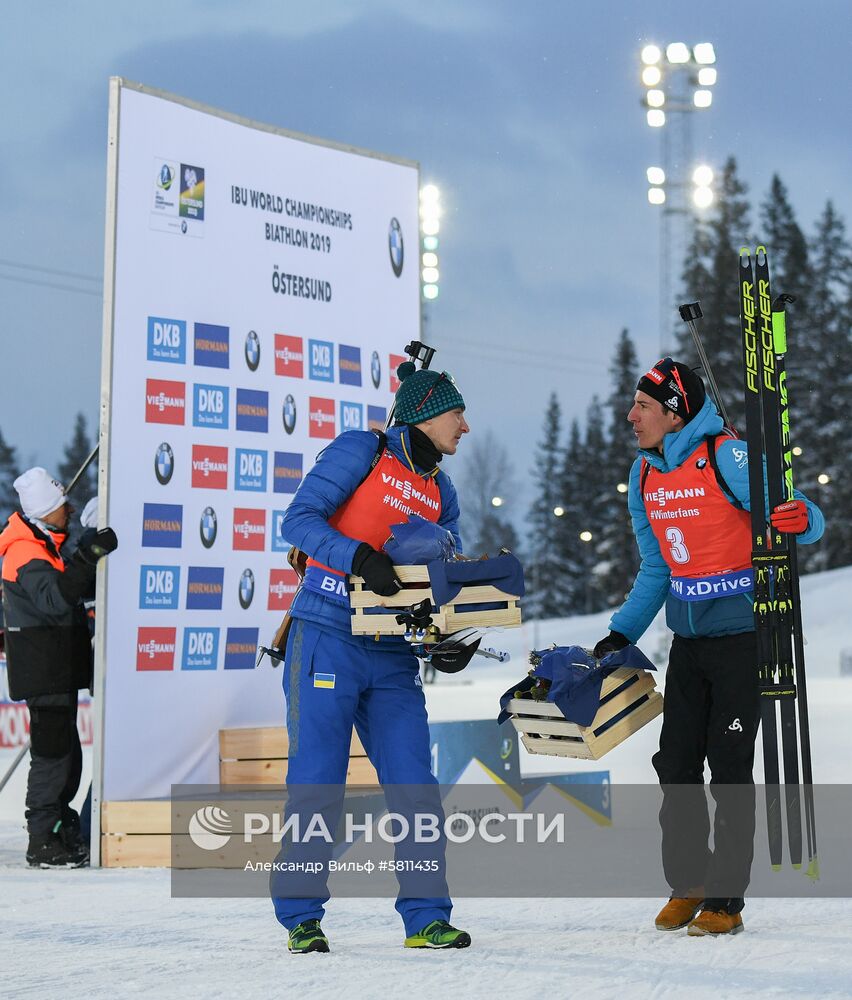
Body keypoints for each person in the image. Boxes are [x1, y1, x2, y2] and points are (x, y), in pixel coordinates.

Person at [593, 358, 824, 937]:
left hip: (746, 639)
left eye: (642, 406)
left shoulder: (727, 456)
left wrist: (804, 518)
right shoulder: (644, 477)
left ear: (674, 413)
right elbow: (656, 568)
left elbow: (800, 512)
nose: (631, 416)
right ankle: (688, 885)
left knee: (728, 768)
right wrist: (622, 632)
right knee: (674, 765)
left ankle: (726, 900)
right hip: (689, 644)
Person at [271, 363, 471, 953]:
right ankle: (301, 916)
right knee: (318, 783)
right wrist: (359, 558)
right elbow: (299, 520)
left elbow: (444, 579)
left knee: (415, 786)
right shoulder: (363, 448)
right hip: (325, 634)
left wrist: (443, 637)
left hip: (391, 653)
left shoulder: (443, 489)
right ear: (427, 412)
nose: (465, 425)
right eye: (457, 412)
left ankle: (426, 916)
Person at [0, 468, 117, 867]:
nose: (68, 508)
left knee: (67, 755)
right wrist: (91, 553)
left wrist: (86, 545)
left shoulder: (44, 542)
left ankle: (60, 828)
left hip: (57, 667)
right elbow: (56, 597)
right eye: (61, 505)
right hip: (43, 668)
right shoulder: (22, 551)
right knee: (52, 756)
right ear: (45, 512)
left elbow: (73, 581)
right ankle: (41, 839)